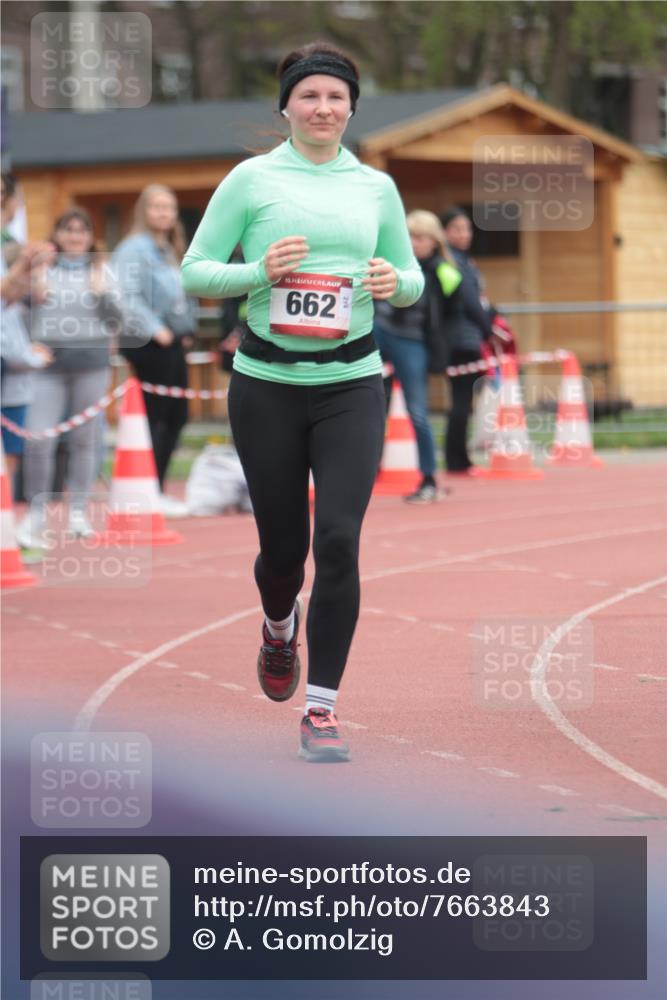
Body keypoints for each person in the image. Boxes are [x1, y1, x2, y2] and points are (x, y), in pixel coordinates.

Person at [182, 41, 424, 762]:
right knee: (283, 552)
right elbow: (197, 271)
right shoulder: (252, 180)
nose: (323, 108)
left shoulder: (375, 187)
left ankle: (321, 711)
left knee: (340, 542)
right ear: (286, 106)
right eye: (309, 96)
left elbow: (409, 277)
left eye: (335, 97)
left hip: (351, 384)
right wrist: (259, 271)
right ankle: (276, 623)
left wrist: (392, 282)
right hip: (267, 386)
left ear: (352, 107)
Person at [15, 207, 122, 546]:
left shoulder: (103, 269)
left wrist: (101, 292)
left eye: (82, 230)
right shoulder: (41, 268)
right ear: (57, 234)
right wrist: (34, 294)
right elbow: (17, 315)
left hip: (91, 365)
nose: (75, 236)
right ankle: (37, 512)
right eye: (68, 229)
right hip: (48, 368)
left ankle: (78, 510)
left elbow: (117, 320)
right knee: (39, 439)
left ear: (91, 237)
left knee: (84, 440)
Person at [112, 185, 198, 517]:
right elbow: (124, 295)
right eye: (157, 207)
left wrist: (184, 328)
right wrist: (155, 329)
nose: (164, 213)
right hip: (147, 342)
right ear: (143, 210)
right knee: (157, 417)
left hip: (173, 341)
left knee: (177, 415)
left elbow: (179, 293)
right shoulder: (134, 249)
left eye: (169, 207)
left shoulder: (168, 248)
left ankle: (157, 488)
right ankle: (149, 492)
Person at [373, 209, 461, 503]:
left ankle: (428, 478)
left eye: (420, 237)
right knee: (361, 404)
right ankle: (362, 472)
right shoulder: (389, 260)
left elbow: (454, 311)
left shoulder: (443, 271)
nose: (413, 242)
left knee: (418, 412)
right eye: (409, 236)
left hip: (412, 343)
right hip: (379, 332)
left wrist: (443, 350)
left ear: (434, 241)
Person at [0, 173, 54, 488]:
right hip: (10, 353)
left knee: (12, 444)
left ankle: (4, 519)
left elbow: (16, 297)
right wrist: (25, 265)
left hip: (10, 355)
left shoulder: (9, 240)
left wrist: (33, 268)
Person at [439, 206, 494, 474]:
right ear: (444, 233)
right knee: (461, 400)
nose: (463, 234)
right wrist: (487, 328)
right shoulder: (451, 262)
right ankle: (457, 460)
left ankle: (458, 458)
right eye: (456, 229)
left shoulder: (465, 260)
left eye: (467, 228)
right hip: (460, 338)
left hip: (466, 336)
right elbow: (469, 301)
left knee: (463, 400)